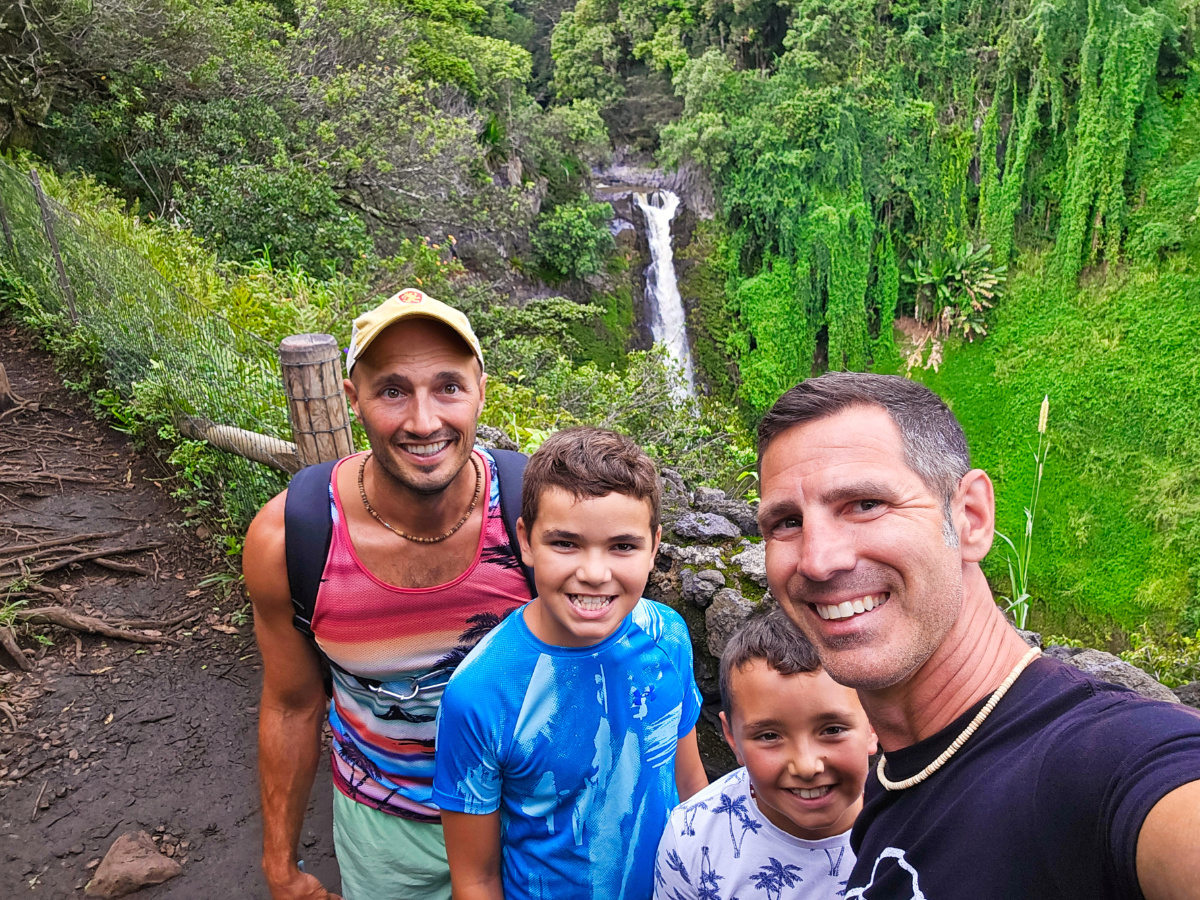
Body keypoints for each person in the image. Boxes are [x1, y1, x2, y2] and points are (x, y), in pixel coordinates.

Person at [755, 371, 1200, 899]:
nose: (819, 559)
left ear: (970, 517)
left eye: (865, 504)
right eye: (785, 521)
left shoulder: (1106, 758)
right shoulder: (896, 774)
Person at [243, 289, 534, 900]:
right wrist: (279, 865)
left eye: (448, 387)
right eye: (393, 390)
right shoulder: (291, 537)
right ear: (354, 400)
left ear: (482, 389)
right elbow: (292, 703)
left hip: (529, 819)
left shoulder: (538, 515)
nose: (424, 422)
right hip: (386, 833)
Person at [432, 426, 710, 900]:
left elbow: (690, 784)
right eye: (565, 543)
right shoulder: (479, 693)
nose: (594, 574)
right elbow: (475, 878)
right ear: (526, 541)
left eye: (622, 546)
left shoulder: (668, 636)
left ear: (654, 546)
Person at [654, 608, 877, 900]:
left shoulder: (925, 830)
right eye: (769, 736)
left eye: (832, 730)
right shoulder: (690, 837)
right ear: (732, 738)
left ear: (875, 722)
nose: (806, 766)